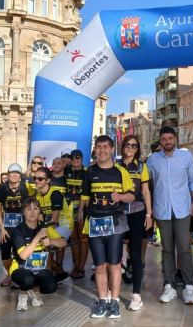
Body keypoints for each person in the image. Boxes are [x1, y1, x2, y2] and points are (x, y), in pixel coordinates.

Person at [79, 135, 134, 319]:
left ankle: (115, 303)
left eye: (105, 147)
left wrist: (120, 197)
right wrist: (80, 212)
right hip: (95, 223)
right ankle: (102, 302)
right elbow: (85, 196)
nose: (101, 150)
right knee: (100, 266)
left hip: (116, 224)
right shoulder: (89, 172)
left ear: (112, 150)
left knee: (115, 265)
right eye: (98, 147)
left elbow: (132, 196)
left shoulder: (121, 172)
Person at [147, 126, 193, 305]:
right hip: (162, 210)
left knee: (184, 248)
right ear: (160, 141)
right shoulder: (152, 160)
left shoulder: (186, 157)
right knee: (167, 249)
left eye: (170, 138)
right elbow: (148, 185)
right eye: (164, 139)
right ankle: (169, 286)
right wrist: (150, 210)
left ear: (175, 139)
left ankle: (189, 287)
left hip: (183, 208)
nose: (167, 142)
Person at [10, 197, 66, 311]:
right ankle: (23, 293)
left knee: (51, 286)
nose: (32, 212)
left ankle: (35, 291)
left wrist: (51, 241)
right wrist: (38, 237)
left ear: (39, 211)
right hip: (20, 267)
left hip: (39, 267)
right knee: (27, 280)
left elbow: (63, 242)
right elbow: (23, 256)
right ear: (23, 212)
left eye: (35, 209)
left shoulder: (44, 226)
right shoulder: (18, 230)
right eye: (28, 209)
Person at [118, 135, 153, 311]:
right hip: (118, 213)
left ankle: (136, 295)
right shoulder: (115, 165)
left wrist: (149, 214)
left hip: (137, 212)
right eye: (127, 145)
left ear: (137, 148)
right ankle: (112, 294)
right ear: (122, 146)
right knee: (115, 253)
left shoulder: (141, 166)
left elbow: (146, 191)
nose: (130, 148)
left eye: (133, 145)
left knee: (136, 253)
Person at [0, 163, 31, 287]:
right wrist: (1, 228)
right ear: (8, 174)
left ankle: (20, 275)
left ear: (20, 175)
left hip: (22, 227)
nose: (14, 175)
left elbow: (31, 207)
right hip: (7, 227)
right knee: (5, 253)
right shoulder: (2, 189)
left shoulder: (26, 188)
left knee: (20, 253)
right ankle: (10, 274)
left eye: (17, 173)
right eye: (12, 173)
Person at [34, 166, 70, 283]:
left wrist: (42, 230)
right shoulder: (38, 196)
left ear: (48, 180)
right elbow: (39, 217)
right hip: (50, 224)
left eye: (40, 179)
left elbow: (55, 219)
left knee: (45, 239)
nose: (36, 181)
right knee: (39, 239)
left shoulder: (55, 193)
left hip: (64, 223)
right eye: (35, 178)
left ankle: (55, 270)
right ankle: (57, 270)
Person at [65, 149, 88, 279]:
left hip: (82, 210)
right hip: (68, 210)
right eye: (73, 158)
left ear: (82, 159)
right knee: (73, 239)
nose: (75, 161)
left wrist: (81, 211)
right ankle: (76, 266)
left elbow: (86, 194)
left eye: (78, 158)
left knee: (83, 239)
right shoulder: (67, 171)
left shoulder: (86, 173)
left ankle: (81, 267)